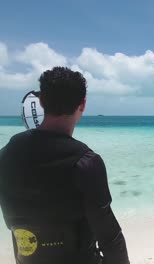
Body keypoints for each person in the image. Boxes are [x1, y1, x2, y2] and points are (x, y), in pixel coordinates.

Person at [0, 67, 130, 264]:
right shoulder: (86, 162)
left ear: (41, 101)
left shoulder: (6, 155)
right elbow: (109, 236)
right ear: (83, 105)